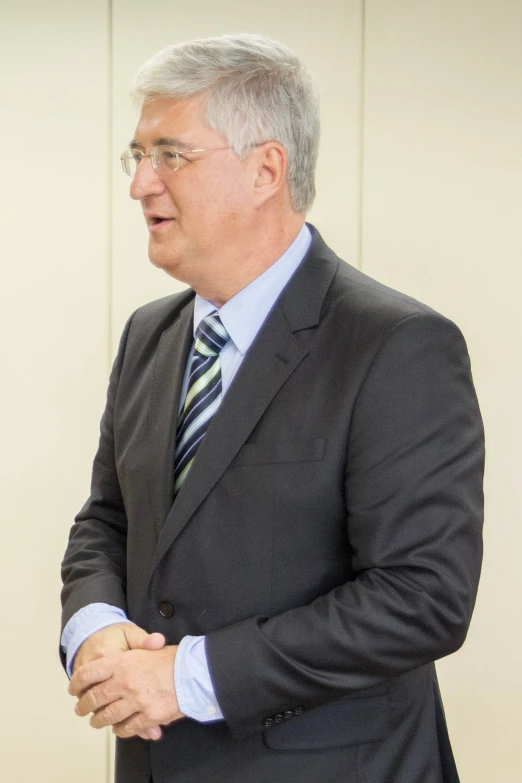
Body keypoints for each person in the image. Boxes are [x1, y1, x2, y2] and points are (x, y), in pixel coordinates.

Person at [60, 33, 484, 783]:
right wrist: (95, 628)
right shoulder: (148, 334)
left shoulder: (398, 345)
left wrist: (187, 676)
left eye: (171, 155)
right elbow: (108, 518)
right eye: (138, 156)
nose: (140, 186)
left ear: (265, 170)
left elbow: (422, 597)